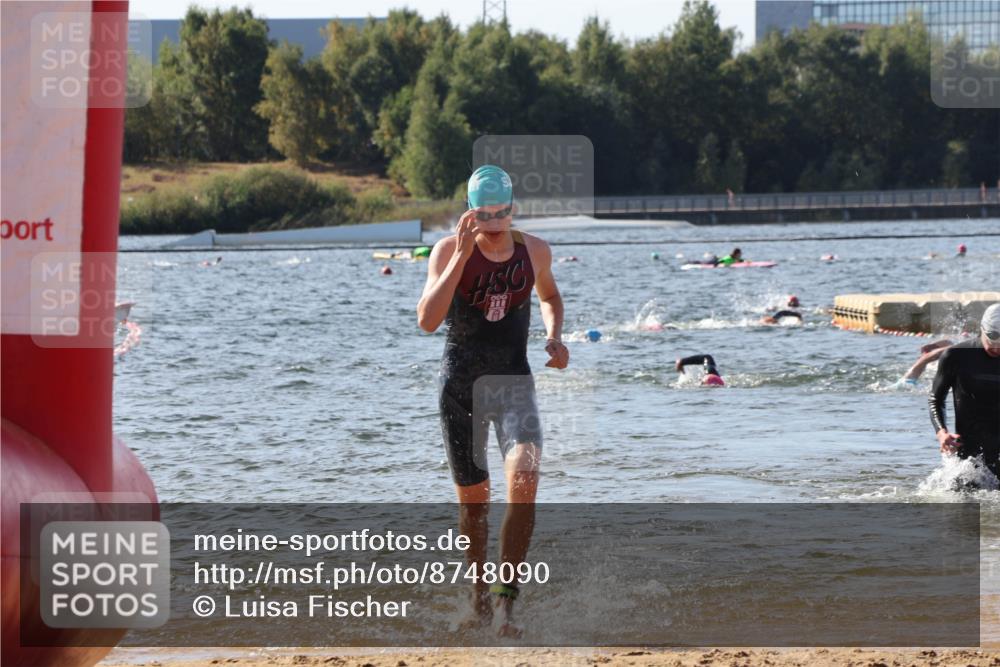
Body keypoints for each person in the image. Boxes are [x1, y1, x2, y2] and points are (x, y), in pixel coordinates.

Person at [416, 165, 569, 637]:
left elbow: (550, 297)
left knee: (525, 476)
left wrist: (554, 336)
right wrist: (461, 255)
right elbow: (427, 320)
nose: (494, 223)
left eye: (502, 213)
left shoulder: (535, 250)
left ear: (513, 209)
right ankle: (477, 598)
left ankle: (506, 607)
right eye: (484, 215)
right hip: (459, 386)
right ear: (470, 213)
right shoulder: (447, 250)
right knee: (474, 504)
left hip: (513, 382)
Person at [929, 304, 1000, 480]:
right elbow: (935, 399)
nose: (997, 348)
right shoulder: (956, 356)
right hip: (969, 455)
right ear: (982, 330)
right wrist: (942, 433)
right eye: (992, 340)